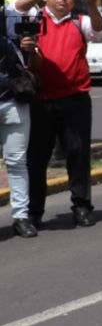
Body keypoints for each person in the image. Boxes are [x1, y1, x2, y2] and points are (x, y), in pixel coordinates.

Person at [15, 0, 102, 229]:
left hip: (75, 99)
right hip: (40, 100)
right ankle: (34, 212)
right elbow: (16, 7)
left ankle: (82, 206)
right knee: (36, 159)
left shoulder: (81, 21)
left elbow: (101, 29)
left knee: (78, 155)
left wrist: (92, 3)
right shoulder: (33, 18)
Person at [0, 14, 37, 236]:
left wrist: (27, 49)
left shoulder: (10, 38)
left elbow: (26, 64)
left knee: (16, 162)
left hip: (13, 104)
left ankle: (21, 216)